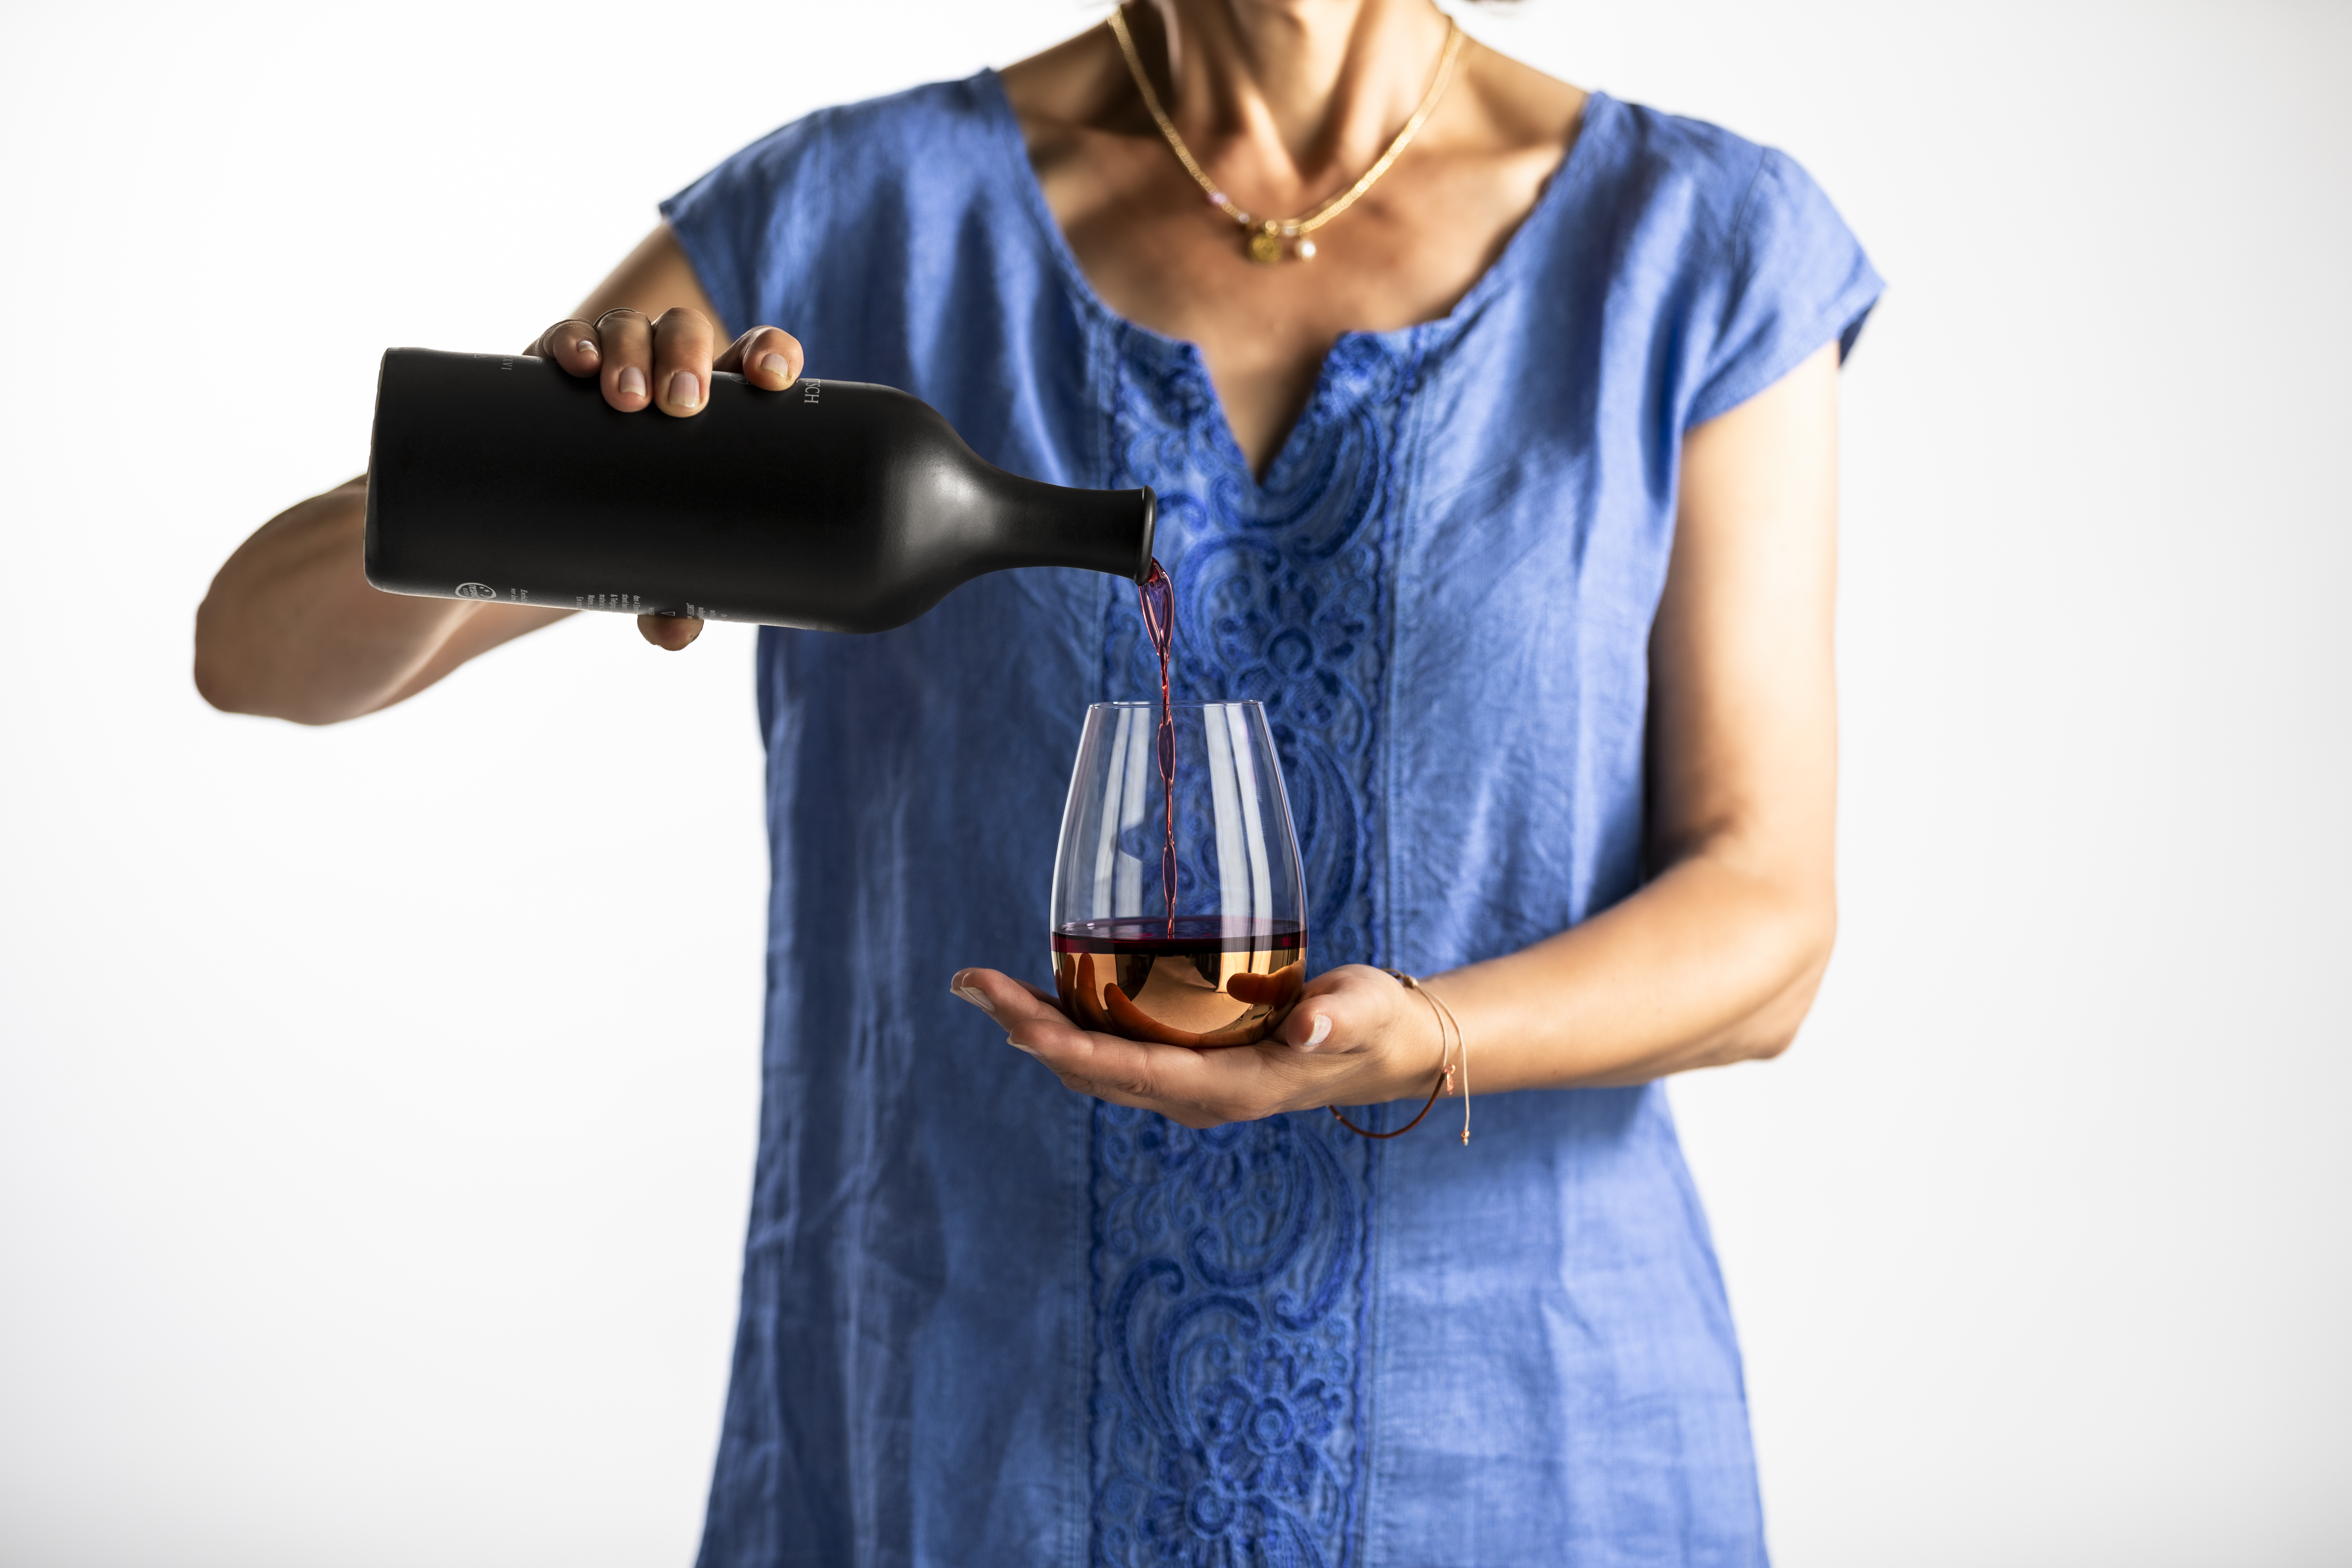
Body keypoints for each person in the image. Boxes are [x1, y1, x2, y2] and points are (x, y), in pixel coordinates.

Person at [196, 0, 1879, 1560]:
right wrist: (555, 477)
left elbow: (1767, 917)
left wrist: (1418, 1038)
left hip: (1528, 1454)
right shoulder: (848, 218)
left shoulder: (1698, 248)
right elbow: (253, 651)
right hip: (959, 1456)